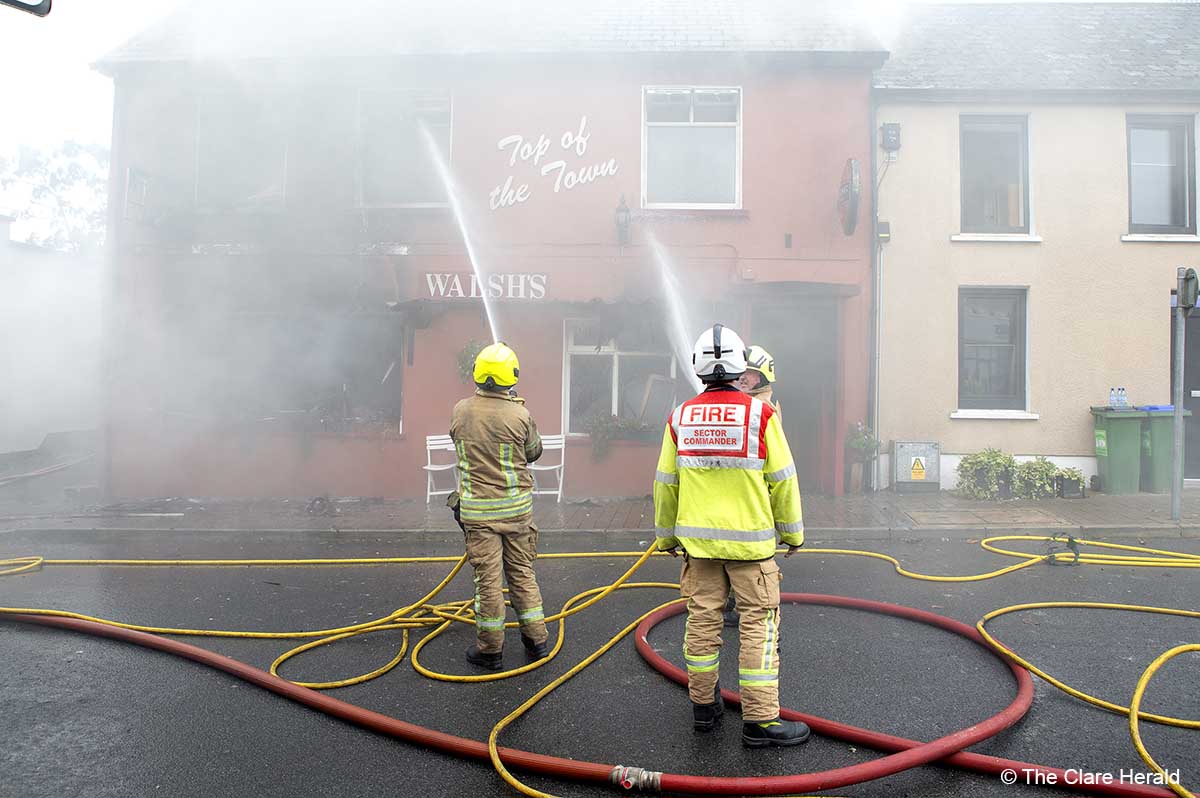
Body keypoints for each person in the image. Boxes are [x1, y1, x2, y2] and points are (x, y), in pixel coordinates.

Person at [653, 324, 809, 748]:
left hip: (699, 550)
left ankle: (704, 708)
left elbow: (666, 483)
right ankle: (760, 721)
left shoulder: (680, 417)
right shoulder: (762, 416)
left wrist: (666, 539)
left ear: (698, 367)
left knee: (702, 624)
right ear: (741, 365)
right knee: (758, 626)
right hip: (751, 549)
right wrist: (793, 534)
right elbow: (783, 480)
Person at [450, 341, 550, 671]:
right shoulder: (521, 414)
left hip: (479, 514)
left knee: (488, 582)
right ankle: (537, 641)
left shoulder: (461, 410)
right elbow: (533, 452)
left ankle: (490, 651)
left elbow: (458, 441)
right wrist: (515, 411)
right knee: (522, 573)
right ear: (512, 376)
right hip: (517, 513)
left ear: (478, 373)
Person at [727, 344, 780, 627]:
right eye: (740, 372)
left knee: (749, 557)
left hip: (753, 494)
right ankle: (735, 600)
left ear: (761, 377)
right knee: (735, 549)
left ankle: (748, 609)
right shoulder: (752, 404)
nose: (742, 377)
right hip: (742, 492)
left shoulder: (763, 409)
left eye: (748, 373)